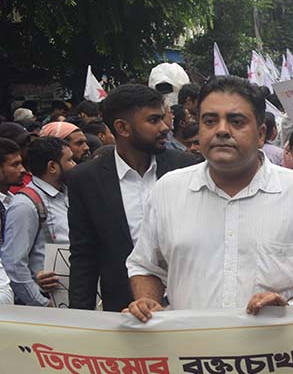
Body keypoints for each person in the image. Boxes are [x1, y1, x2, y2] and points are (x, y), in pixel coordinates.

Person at [125, 75, 293, 320]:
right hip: (191, 353)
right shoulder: (168, 191)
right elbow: (146, 266)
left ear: (261, 134)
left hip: (277, 352)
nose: (221, 130)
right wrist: (148, 302)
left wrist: (290, 309)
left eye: (236, 121)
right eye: (209, 121)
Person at [66, 84, 199, 313]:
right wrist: (81, 321)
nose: (165, 127)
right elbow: (84, 257)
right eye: (153, 120)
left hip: (189, 309)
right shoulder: (86, 179)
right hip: (125, 313)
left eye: (162, 118)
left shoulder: (187, 168)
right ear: (123, 128)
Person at [1, 137, 76, 306]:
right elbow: (14, 264)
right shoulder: (25, 205)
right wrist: (41, 303)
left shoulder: (69, 193)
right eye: (70, 160)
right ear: (52, 166)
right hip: (52, 304)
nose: (75, 165)